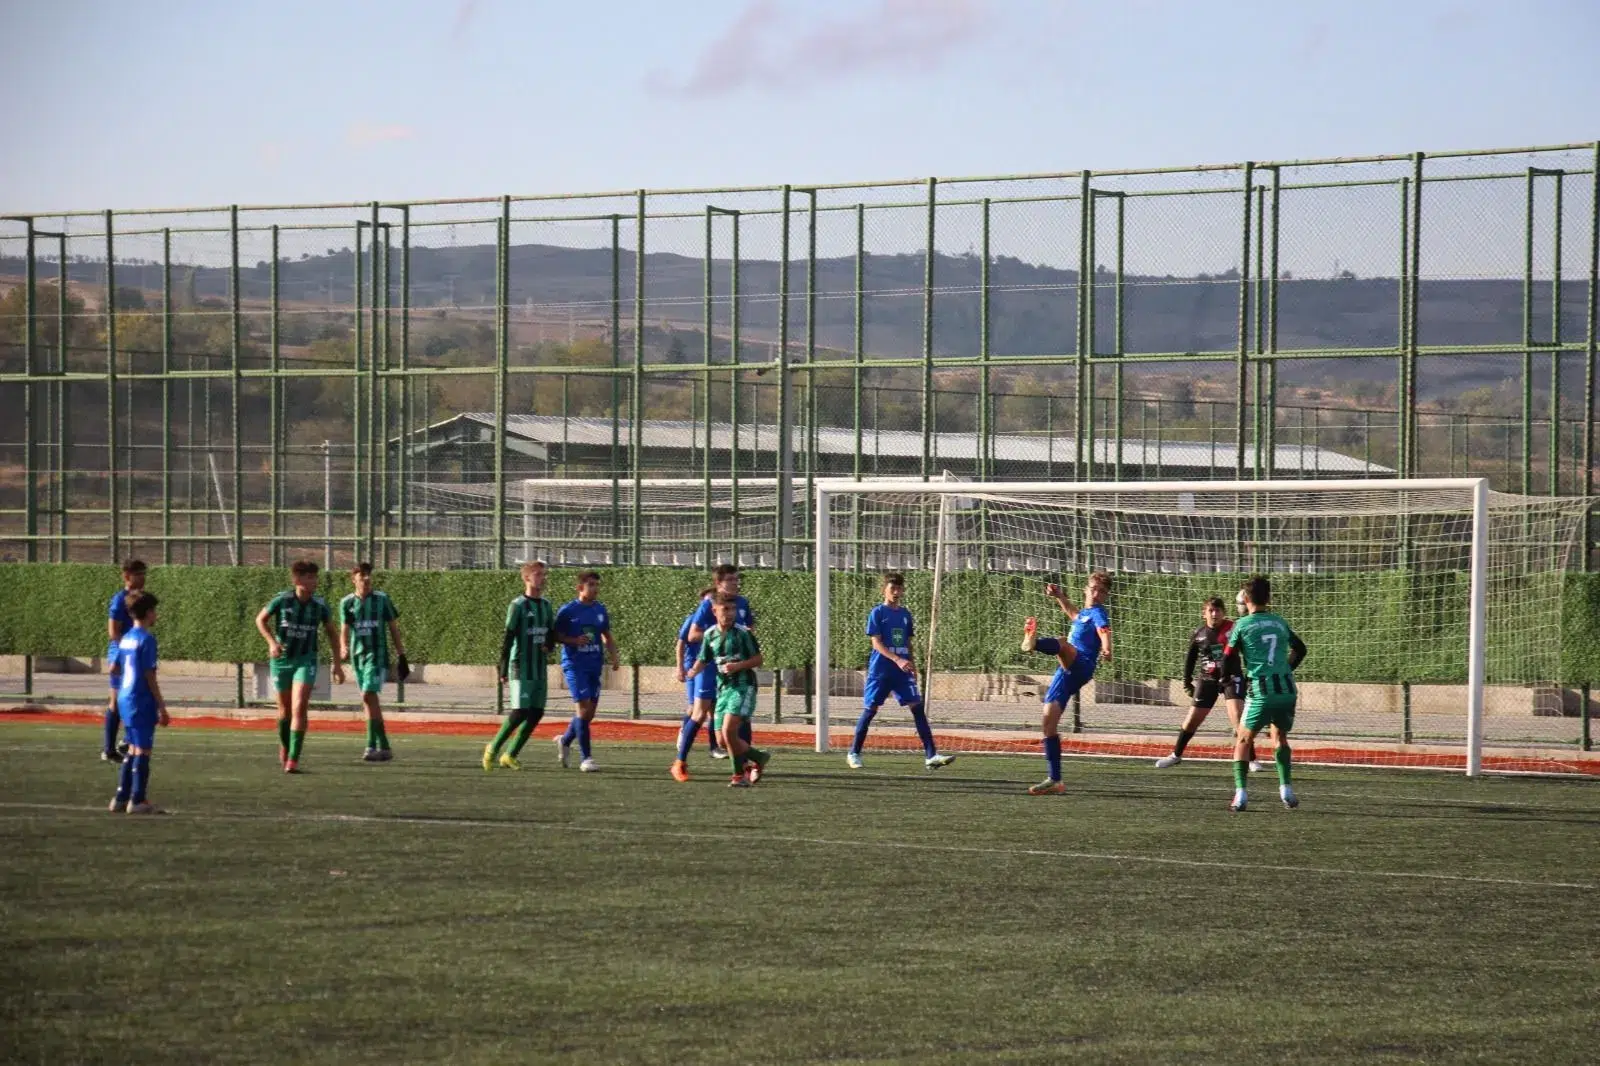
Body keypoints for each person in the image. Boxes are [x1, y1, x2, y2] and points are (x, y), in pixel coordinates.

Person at [846, 571, 956, 771]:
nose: (896, 592)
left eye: (899, 589)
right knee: (871, 709)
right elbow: (876, 643)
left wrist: (911, 664)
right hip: (881, 670)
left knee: (917, 708)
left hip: (902, 671)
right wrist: (897, 659)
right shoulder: (877, 613)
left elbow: (907, 642)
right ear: (884, 590)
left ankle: (931, 756)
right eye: (892, 589)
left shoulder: (905, 615)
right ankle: (853, 753)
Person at [1020, 572, 1112, 795]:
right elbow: (1074, 614)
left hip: (1083, 664)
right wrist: (1059, 596)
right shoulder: (1084, 614)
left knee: (1063, 643)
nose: (1096, 594)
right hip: (1065, 673)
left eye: (1101, 591)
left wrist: (1107, 648)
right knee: (1048, 724)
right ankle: (1055, 780)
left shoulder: (1098, 612)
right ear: (1086, 590)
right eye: (1093, 589)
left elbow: (1103, 630)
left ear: (1106, 596)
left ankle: (1034, 644)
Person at [1223, 576, 1307, 812]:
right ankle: (1286, 791)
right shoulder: (1279, 622)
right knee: (1280, 737)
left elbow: (1228, 657)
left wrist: (1225, 678)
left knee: (1243, 739)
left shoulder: (1241, 624)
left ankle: (1240, 796)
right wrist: (1285, 669)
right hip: (1287, 690)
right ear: (1268, 598)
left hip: (1261, 690)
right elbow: (1300, 649)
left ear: (1245, 599)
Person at [256, 560, 345, 773]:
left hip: (306, 660)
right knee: (284, 710)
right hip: (282, 661)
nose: (315, 581)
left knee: (299, 706)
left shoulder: (320, 605)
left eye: (315, 577)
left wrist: (337, 664)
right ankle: (285, 746)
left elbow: (332, 634)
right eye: (309, 577)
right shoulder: (282, 600)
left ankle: (293, 759)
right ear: (297, 580)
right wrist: (272, 643)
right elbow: (260, 620)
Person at [1154, 597, 1257, 770]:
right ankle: (1176, 755)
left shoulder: (1234, 628)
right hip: (1207, 679)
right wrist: (1187, 681)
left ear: (1224, 613)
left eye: (1218, 610)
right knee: (1191, 720)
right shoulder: (1198, 633)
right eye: (1211, 610)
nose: (1214, 614)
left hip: (1231, 678)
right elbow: (1190, 658)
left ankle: (1252, 759)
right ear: (1204, 613)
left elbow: (1248, 651)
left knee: (1238, 717)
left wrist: (1250, 676)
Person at [686, 594, 771, 787]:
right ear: (714, 611)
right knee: (722, 741)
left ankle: (738, 776)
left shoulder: (743, 633)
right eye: (725, 609)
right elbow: (703, 658)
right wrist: (693, 671)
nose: (730, 613)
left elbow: (758, 659)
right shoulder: (709, 634)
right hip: (723, 688)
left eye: (733, 609)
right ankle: (759, 757)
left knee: (728, 730)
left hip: (742, 686)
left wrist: (737, 666)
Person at [484, 560, 557, 771]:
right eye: (539, 574)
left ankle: (510, 755)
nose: (543, 578)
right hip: (520, 665)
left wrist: (549, 645)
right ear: (527, 578)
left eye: (544, 574)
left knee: (536, 713)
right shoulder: (517, 606)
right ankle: (492, 748)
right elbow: (508, 636)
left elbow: (551, 632)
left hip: (539, 666)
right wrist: (503, 666)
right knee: (520, 711)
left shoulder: (546, 605)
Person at [685, 564, 758, 759]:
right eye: (730, 580)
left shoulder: (743, 602)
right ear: (718, 583)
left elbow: (750, 629)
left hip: (737, 670)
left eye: (737, 579)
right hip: (710, 667)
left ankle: (745, 760)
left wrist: (743, 637)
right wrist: (718, 636)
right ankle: (681, 758)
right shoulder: (708, 604)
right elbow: (691, 635)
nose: (735, 583)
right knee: (699, 713)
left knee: (740, 715)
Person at [338, 562, 407, 763]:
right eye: (362, 576)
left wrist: (401, 655)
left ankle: (373, 745)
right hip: (358, 657)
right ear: (354, 580)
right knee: (368, 700)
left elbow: (393, 628)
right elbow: (344, 628)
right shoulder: (347, 603)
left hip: (377, 656)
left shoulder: (382, 599)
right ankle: (382, 747)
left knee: (368, 695)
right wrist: (343, 647)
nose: (366, 579)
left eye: (368, 575)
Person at [108, 591, 169, 815]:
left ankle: (120, 798)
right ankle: (138, 799)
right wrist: (161, 706)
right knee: (143, 750)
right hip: (140, 698)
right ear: (149, 613)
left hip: (124, 697)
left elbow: (114, 667)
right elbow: (149, 674)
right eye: (155, 611)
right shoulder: (146, 639)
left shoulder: (126, 638)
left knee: (133, 748)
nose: (156, 615)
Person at [553, 571, 620, 772]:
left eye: (597, 585)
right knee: (582, 710)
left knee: (588, 714)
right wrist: (573, 641)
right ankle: (586, 758)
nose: (595, 588)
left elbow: (606, 635)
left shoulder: (600, 609)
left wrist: (614, 655)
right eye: (591, 584)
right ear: (580, 587)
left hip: (594, 665)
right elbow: (556, 635)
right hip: (575, 666)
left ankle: (565, 740)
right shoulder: (568, 611)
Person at [670, 587, 724, 782]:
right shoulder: (693, 619)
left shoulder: (722, 620)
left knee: (713, 708)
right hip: (693, 667)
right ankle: (684, 735)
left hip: (711, 667)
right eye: (707, 600)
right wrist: (680, 668)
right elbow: (681, 643)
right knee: (695, 707)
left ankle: (714, 747)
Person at [101, 559, 147, 763]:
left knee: (138, 698)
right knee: (118, 701)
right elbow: (113, 632)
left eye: (144, 573)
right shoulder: (120, 599)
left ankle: (126, 742)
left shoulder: (142, 598)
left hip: (135, 654)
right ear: (126, 576)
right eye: (138, 574)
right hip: (121, 655)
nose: (143, 578)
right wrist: (125, 653)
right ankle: (109, 749)